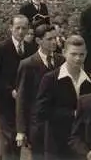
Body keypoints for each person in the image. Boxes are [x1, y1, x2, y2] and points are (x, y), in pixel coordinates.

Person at [32, 35, 91, 160]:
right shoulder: (50, 79)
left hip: (82, 146)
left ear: (86, 54)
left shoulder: (90, 80)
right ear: (64, 53)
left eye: (81, 54)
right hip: (57, 144)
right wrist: (74, 113)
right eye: (74, 54)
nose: (78, 58)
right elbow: (41, 112)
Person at [0, 15, 37, 160]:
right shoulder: (0, 49)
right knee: (9, 137)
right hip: (3, 100)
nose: (21, 32)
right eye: (17, 28)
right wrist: (10, 90)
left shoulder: (31, 48)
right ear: (11, 28)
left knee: (17, 137)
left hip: (22, 102)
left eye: (24, 28)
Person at [15, 24, 65, 160]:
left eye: (56, 38)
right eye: (49, 39)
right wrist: (21, 130)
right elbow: (22, 98)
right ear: (38, 41)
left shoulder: (62, 61)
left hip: (59, 124)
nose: (54, 42)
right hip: (37, 125)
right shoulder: (28, 64)